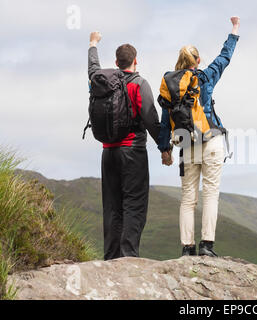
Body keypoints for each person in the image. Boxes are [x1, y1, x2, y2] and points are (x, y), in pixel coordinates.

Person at [158, 17, 241, 257]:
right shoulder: (204, 78)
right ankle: (207, 246)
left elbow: (166, 120)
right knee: (211, 193)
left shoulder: (171, 86)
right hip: (211, 140)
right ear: (198, 61)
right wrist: (234, 30)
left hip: (186, 144)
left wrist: (165, 149)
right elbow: (224, 58)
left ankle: (187, 249)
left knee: (188, 199)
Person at [88, 31, 161, 260]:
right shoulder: (139, 83)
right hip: (133, 152)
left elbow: (91, 68)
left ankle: (110, 257)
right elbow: (150, 118)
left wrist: (93, 44)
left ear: (116, 62)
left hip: (108, 153)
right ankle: (128, 257)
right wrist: (165, 147)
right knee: (134, 205)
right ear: (135, 61)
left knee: (111, 206)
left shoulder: (101, 82)